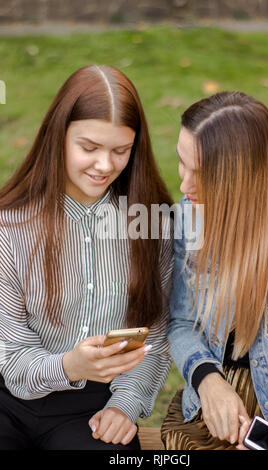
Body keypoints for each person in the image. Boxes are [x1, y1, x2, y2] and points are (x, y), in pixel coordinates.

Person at [0, 64, 174, 450]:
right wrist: (69, 366)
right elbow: (11, 353)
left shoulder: (152, 223)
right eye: (89, 147)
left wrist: (124, 406)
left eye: (120, 150)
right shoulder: (9, 225)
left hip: (96, 407)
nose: (105, 165)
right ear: (57, 137)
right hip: (10, 395)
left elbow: (155, 335)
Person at [165, 91, 268, 450]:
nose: (184, 186)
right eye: (182, 162)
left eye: (203, 173)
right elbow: (180, 322)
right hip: (224, 405)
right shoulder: (191, 218)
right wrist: (209, 381)